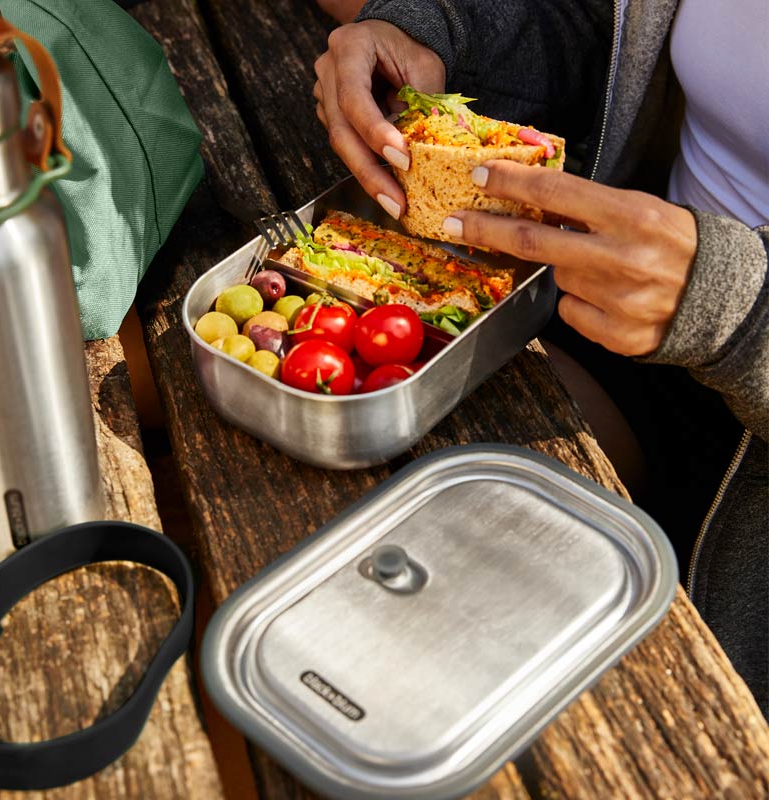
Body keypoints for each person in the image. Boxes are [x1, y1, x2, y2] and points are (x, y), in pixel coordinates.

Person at [312, 1, 768, 716]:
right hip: (618, 317)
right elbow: (598, 32)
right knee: (365, 534)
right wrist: (436, 38)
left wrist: (736, 308)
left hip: (752, 498)